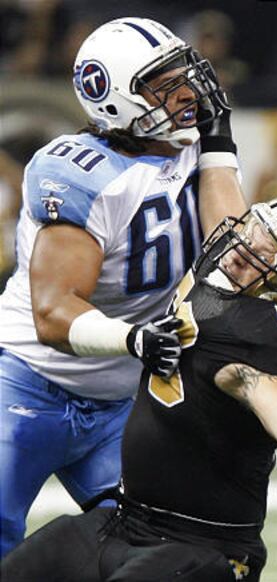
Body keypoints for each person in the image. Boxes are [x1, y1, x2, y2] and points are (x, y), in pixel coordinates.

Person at [1, 196, 277, 581]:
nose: (242, 248)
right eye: (252, 231)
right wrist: (216, 142)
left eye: (266, 250)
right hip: (125, 522)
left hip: (202, 548)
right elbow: (220, 191)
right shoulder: (215, 278)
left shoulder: (268, 335)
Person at [0, 17, 248, 557]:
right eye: (163, 83)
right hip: (27, 384)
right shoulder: (78, 171)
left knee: (157, 543)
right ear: (114, 99)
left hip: (118, 399)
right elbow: (52, 312)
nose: (186, 91)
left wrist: (220, 148)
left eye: (183, 73)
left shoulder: (190, 143)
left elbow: (234, 256)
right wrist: (134, 340)